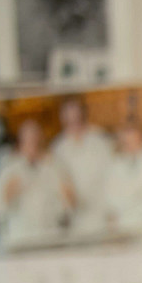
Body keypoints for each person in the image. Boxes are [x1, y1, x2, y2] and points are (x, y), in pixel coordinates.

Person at [0, 116, 68, 249]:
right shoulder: (9, 167)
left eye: (35, 139)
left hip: (51, 235)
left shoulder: (53, 165)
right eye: (28, 140)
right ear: (21, 142)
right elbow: (0, 206)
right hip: (21, 237)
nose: (32, 144)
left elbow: (66, 204)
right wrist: (11, 188)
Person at [51, 95, 114, 240]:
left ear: (84, 114)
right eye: (69, 119)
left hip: (104, 217)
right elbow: (58, 185)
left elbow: (113, 176)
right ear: (63, 119)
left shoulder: (101, 140)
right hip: (75, 222)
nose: (74, 122)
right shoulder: (58, 148)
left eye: (77, 117)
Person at [103, 116, 142, 236]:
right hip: (123, 227)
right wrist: (137, 194)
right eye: (126, 141)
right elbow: (111, 200)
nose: (129, 145)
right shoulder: (114, 166)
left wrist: (129, 197)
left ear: (141, 138)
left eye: (134, 140)